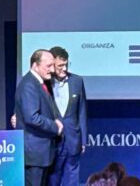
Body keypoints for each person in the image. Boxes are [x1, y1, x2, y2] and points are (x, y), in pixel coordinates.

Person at [15, 49, 64, 186]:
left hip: (40, 153)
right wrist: (55, 126)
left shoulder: (38, 83)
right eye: (48, 66)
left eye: (53, 65)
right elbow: (32, 118)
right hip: (34, 153)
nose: (52, 70)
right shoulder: (29, 85)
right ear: (35, 65)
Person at [47, 46, 88, 186]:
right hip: (53, 140)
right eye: (60, 66)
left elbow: (82, 111)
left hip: (73, 139)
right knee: (53, 179)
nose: (64, 69)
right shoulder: (44, 83)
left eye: (66, 64)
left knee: (72, 180)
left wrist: (83, 140)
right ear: (52, 64)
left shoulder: (77, 81)